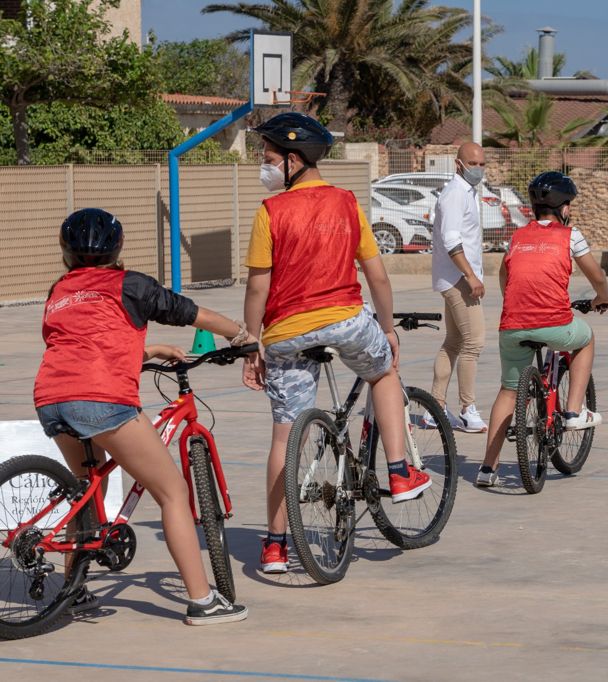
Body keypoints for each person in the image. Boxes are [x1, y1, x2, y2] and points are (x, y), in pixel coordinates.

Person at [34, 208, 251, 625]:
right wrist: (240, 335)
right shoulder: (129, 284)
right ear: (118, 247)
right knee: (171, 492)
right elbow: (188, 311)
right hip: (102, 399)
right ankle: (202, 601)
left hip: (51, 395)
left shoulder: (59, 290)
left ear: (66, 254)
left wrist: (148, 351)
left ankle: (73, 591)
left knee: (85, 488)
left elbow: (79, 343)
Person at [242, 112, 430, 575]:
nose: (263, 167)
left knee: (285, 436)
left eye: (267, 158)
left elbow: (256, 289)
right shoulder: (347, 204)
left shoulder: (270, 213)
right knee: (383, 370)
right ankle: (401, 472)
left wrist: (252, 344)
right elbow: (378, 276)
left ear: (292, 159)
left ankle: (274, 545)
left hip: (285, 333)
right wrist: (386, 327)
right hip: (346, 321)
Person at [476, 171, 608, 487]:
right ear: (563, 207)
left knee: (509, 391)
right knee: (586, 338)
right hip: (553, 322)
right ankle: (574, 412)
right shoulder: (571, 235)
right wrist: (602, 299)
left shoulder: (518, 236)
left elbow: (504, 277)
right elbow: (598, 277)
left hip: (512, 324)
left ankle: (487, 469)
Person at [424, 142, 488, 433]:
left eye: (482, 164)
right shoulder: (454, 195)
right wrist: (470, 277)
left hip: (455, 278)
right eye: (473, 163)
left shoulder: (467, 193)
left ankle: (434, 408)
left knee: (453, 343)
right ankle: (467, 409)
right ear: (458, 164)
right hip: (458, 280)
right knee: (474, 342)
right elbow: (452, 240)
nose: (479, 169)